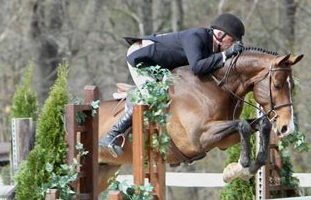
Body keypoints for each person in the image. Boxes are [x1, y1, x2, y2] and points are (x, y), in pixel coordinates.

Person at [100, 13, 245, 157]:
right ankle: (112, 135)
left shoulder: (210, 46)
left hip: (159, 64)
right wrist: (225, 55)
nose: (231, 45)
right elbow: (197, 67)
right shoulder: (197, 36)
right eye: (231, 40)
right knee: (151, 95)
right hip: (141, 58)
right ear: (219, 34)